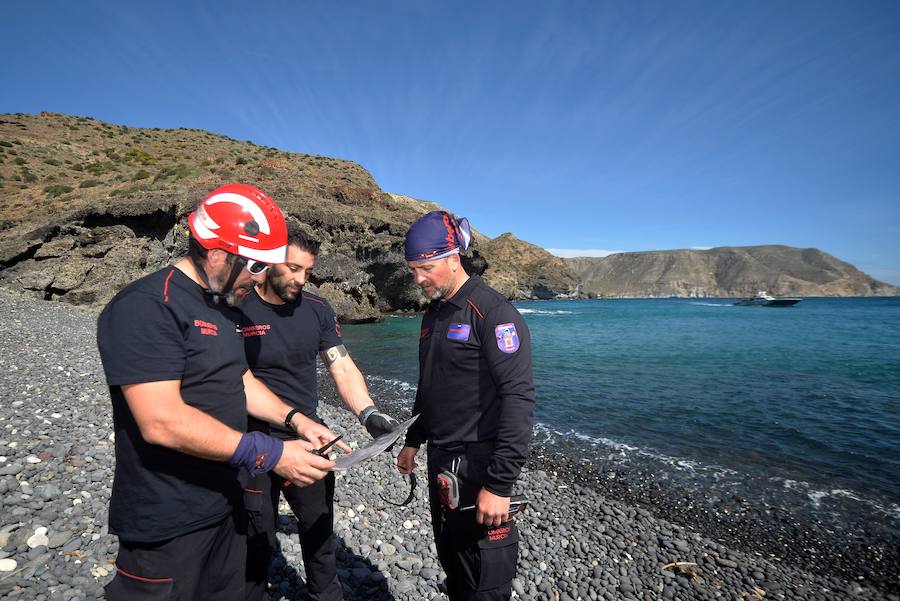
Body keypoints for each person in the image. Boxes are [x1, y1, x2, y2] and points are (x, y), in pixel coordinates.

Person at [97, 184, 350, 601]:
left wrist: (298, 421)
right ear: (218, 253)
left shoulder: (221, 306)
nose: (260, 277)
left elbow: (241, 380)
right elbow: (161, 421)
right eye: (254, 265)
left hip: (229, 505)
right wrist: (273, 453)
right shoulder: (146, 306)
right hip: (169, 519)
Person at [240, 222, 399, 601]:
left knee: (318, 529)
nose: (300, 279)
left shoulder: (318, 309)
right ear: (270, 261)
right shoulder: (238, 307)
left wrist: (368, 413)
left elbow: (340, 366)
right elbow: (231, 380)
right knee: (253, 535)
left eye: (307, 271)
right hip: (251, 437)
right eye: (294, 268)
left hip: (309, 434)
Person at [396, 211, 535, 600]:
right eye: (412, 270)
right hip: (441, 460)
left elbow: (518, 398)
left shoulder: (494, 313)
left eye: (425, 268)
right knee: (454, 565)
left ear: (453, 258)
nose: (418, 279)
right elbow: (432, 383)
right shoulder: (434, 314)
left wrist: (499, 483)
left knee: (485, 580)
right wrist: (414, 439)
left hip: (479, 466)